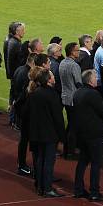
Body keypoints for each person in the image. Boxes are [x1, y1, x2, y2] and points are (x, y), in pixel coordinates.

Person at [73, 69, 103, 202]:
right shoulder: (93, 94)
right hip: (94, 134)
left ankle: (78, 189)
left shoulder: (77, 92)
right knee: (96, 163)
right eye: (95, 78)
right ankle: (94, 192)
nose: (97, 80)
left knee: (83, 160)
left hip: (82, 133)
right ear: (90, 80)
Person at [27, 68, 65, 198]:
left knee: (39, 160)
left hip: (36, 133)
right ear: (48, 80)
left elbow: (27, 113)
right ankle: (47, 188)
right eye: (52, 76)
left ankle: (39, 186)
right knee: (48, 161)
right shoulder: (52, 95)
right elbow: (57, 117)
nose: (54, 78)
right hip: (49, 134)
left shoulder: (33, 93)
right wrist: (62, 136)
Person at [59, 42, 82, 159]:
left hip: (65, 97)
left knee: (70, 125)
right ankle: (70, 152)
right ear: (72, 52)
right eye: (77, 50)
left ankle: (67, 149)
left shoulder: (62, 62)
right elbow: (78, 83)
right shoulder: (74, 66)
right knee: (73, 127)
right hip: (73, 99)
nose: (79, 52)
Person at [3, 22, 25, 125]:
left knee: (13, 95)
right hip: (16, 74)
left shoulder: (11, 41)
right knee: (15, 95)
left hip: (14, 74)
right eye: (22, 30)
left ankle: (12, 118)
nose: (24, 31)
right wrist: (13, 75)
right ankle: (13, 119)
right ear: (17, 31)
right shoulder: (15, 43)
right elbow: (10, 61)